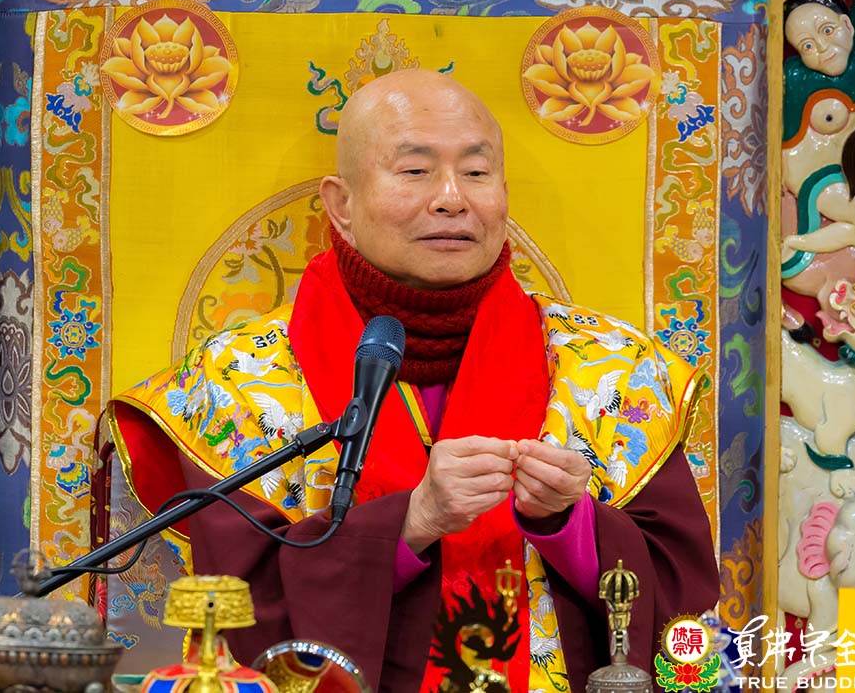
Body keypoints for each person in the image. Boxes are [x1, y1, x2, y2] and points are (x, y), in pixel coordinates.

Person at [109, 69, 719, 692]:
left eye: (476, 172)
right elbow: (238, 612)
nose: (452, 198)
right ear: (341, 205)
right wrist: (409, 524)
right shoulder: (236, 381)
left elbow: (682, 604)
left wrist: (569, 524)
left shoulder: (610, 368)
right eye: (415, 170)